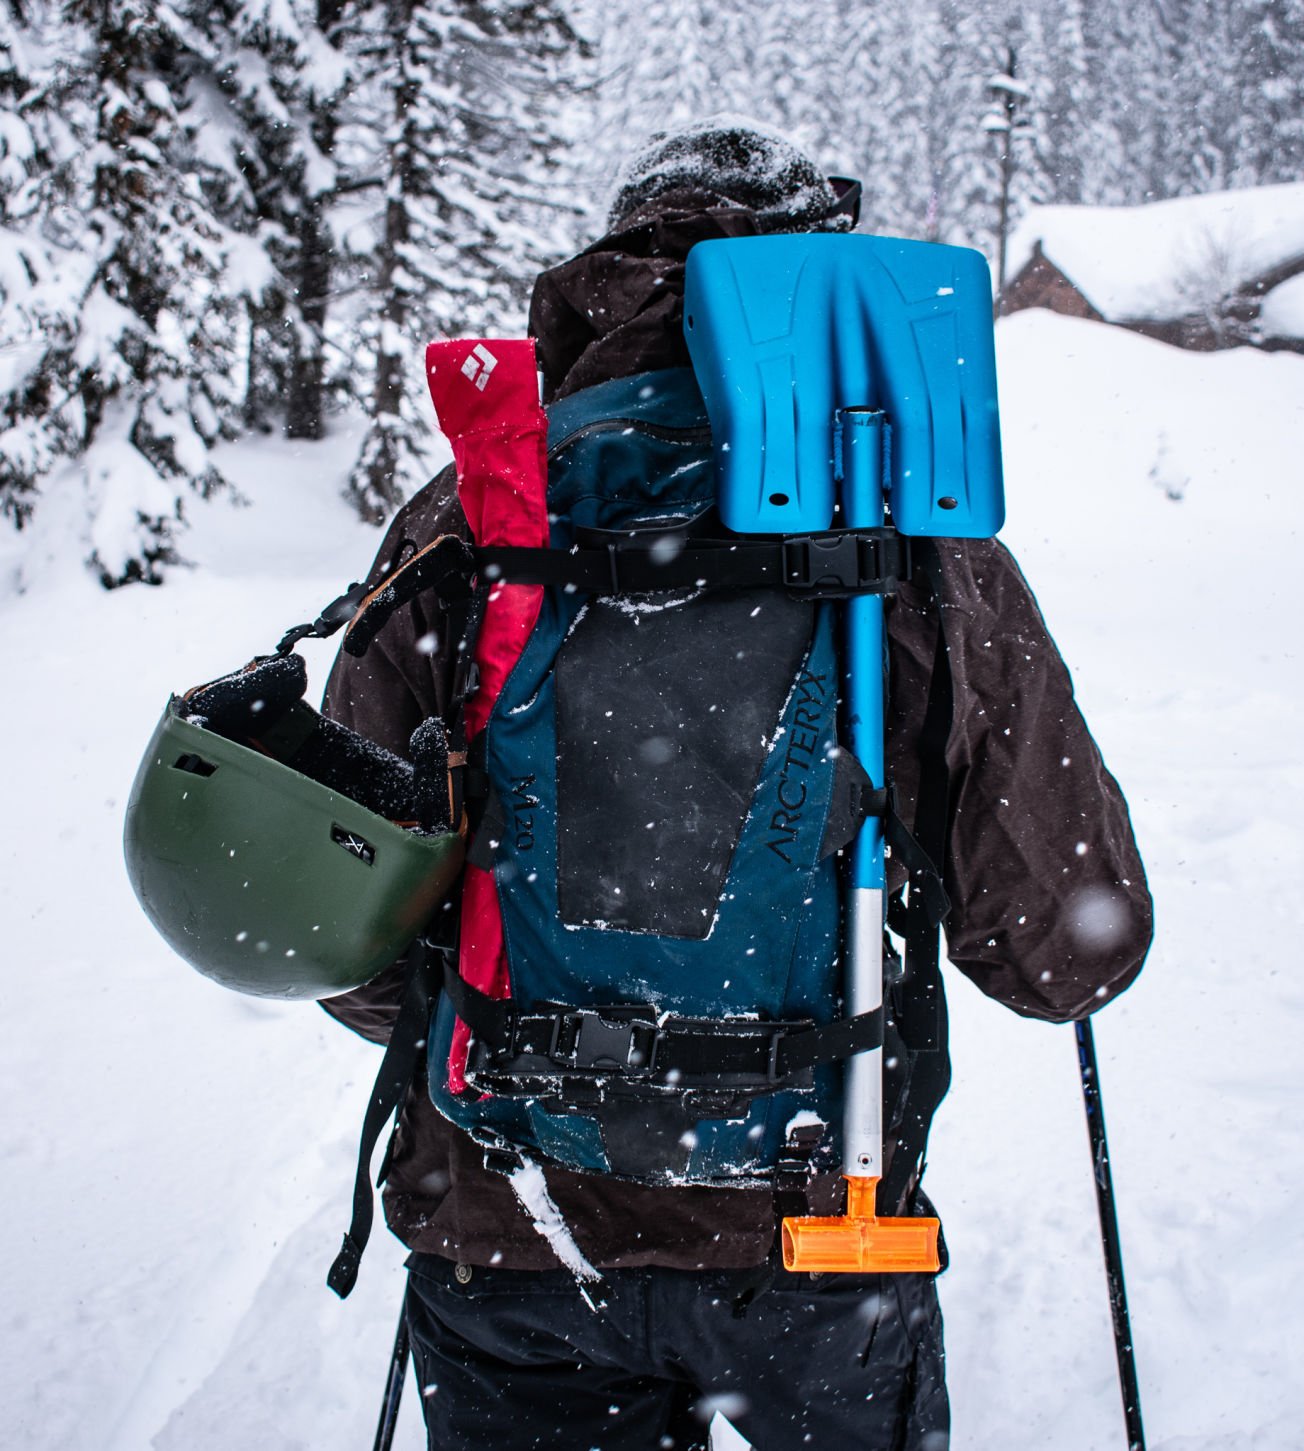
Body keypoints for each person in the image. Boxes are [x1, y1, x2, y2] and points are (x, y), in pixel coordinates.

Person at [320, 119, 1153, 1451]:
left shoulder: (476, 510)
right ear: (821, 283)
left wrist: (528, 1041)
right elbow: (1062, 952)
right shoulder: (917, 537)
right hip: (821, 1233)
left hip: (510, 1233)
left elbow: (342, 928)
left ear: (605, 269)